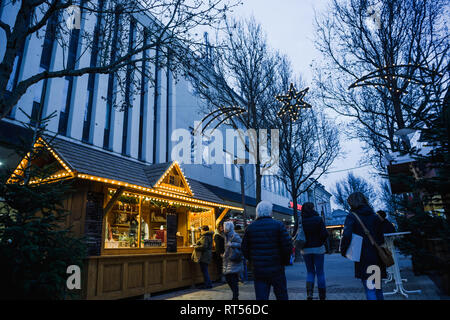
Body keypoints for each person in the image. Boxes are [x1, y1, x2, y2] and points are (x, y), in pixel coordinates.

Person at [241, 201, 292, 300]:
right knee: (281, 295)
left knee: (261, 297)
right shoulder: (278, 225)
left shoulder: (250, 228)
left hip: (259, 269)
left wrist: (253, 260)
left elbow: (244, 248)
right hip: (277, 268)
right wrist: (284, 262)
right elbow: (287, 246)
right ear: (270, 212)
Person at [340, 192, 386, 300]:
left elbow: (346, 235)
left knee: (370, 289)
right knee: (378, 288)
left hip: (363, 256)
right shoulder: (375, 216)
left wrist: (344, 251)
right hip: (377, 256)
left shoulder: (352, 217)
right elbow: (381, 238)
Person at [301, 202, 329, 300]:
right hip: (318, 248)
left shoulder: (301, 220)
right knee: (320, 272)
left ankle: (309, 294)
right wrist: (320, 241)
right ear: (312, 208)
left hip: (305, 249)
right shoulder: (318, 219)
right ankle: (322, 295)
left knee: (310, 272)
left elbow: (294, 234)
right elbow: (325, 234)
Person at [222, 221, 244, 300]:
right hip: (228, 260)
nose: (223, 228)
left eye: (224, 227)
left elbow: (242, 244)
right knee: (228, 278)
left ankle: (235, 296)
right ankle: (235, 293)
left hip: (234, 259)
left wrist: (232, 244)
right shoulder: (226, 236)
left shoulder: (234, 235)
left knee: (232, 279)